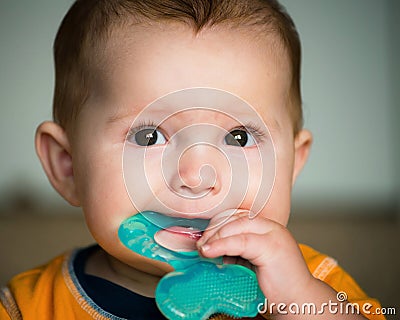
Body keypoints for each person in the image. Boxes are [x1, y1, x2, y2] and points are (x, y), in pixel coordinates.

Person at [0, 0, 384, 319]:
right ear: (67, 165)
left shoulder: (315, 286)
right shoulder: (30, 305)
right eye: (149, 136)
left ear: (292, 165)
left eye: (239, 137)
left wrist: (299, 301)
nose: (196, 176)